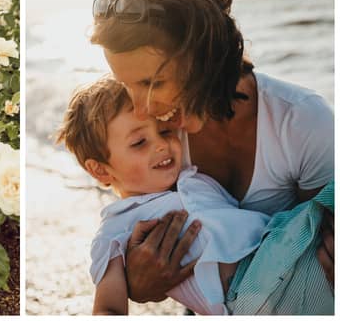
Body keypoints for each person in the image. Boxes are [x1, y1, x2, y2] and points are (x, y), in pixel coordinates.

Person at [89, 0, 334, 309]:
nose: (142, 108)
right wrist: (139, 285)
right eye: (128, 86)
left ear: (204, 55)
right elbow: (142, 228)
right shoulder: (157, 140)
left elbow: (319, 236)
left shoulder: (299, 122)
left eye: (152, 82)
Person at [57, 77, 333, 315]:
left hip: (283, 247)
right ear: (100, 170)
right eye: (139, 142)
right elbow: (108, 308)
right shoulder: (116, 228)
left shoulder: (194, 178)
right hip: (250, 292)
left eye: (165, 130)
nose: (162, 145)